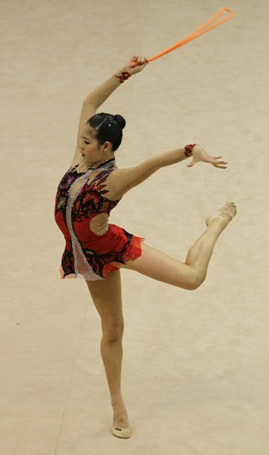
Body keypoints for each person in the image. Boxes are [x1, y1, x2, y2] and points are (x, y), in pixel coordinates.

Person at [54, 55, 236, 439]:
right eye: (81, 139)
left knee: (192, 278)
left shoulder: (112, 181)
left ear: (105, 147)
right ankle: (118, 408)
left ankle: (216, 224)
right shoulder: (80, 161)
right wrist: (123, 73)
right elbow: (89, 104)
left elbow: (152, 164)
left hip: (112, 248)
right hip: (89, 259)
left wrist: (190, 150)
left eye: (86, 142)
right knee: (113, 329)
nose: (79, 144)